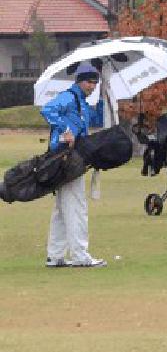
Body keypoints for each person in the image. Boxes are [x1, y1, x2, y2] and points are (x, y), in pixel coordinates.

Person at [40, 61, 106, 268]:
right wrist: (65, 128)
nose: (92, 86)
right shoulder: (69, 97)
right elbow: (48, 110)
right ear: (79, 81)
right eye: (89, 82)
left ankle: (55, 255)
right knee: (76, 205)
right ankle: (80, 255)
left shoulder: (82, 103)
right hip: (65, 157)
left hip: (68, 157)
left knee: (62, 208)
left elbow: (95, 119)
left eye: (95, 82)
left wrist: (106, 97)